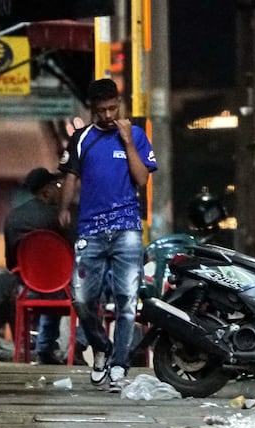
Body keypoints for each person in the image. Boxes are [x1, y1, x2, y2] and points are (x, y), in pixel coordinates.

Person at [58, 78, 157, 391]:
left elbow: (141, 179)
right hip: (90, 228)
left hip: (127, 226)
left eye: (113, 108)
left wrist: (128, 141)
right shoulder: (82, 138)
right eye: (101, 110)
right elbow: (71, 176)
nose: (108, 115)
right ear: (92, 109)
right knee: (82, 297)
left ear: (119, 103)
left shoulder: (136, 136)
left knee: (127, 299)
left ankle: (120, 364)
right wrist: (64, 208)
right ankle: (101, 346)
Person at [4, 167, 79, 364]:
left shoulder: (13, 217)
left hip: (27, 290)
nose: (62, 190)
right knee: (90, 288)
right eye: (58, 185)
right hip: (63, 291)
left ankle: (45, 348)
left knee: (50, 280)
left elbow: (10, 262)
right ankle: (79, 344)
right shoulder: (63, 218)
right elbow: (76, 254)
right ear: (46, 191)